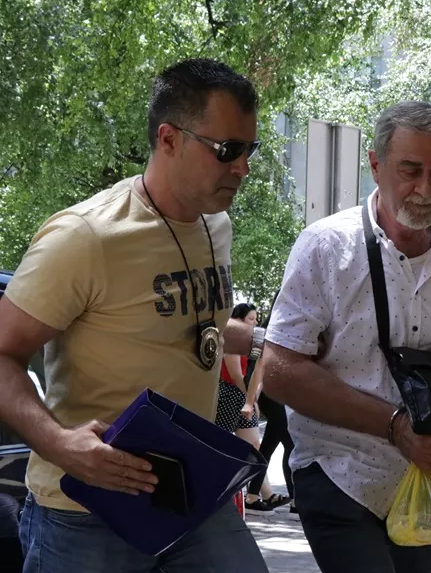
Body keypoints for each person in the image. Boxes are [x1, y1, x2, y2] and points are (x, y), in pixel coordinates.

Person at [0, 58, 269, 572]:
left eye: (249, 150)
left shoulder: (216, 226)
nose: (243, 168)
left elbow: (190, 326)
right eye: (227, 150)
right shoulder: (86, 236)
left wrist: (262, 341)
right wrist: (61, 445)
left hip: (192, 497)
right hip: (86, 510)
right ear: (169, 139)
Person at [261, 101, 431, 573]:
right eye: (411, 170)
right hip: (340, 470)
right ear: (375, 165)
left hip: (428, 480)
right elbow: (280, 372)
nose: (427, 189)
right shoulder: (326, 246)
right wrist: (394, 426)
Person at [216, 303, 289, 515]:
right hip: (229, 394)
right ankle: (250, 494)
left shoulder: (254, 342)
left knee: (253, 445)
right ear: (238, 320)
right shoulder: (232, 337)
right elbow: (236, 375)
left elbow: (259, 369)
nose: (255, 323)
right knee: (228, 444)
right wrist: (249, 400)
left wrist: (251, 398)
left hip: (241, 395)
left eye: (256, 319)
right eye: (251, 319)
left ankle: (258, 494)